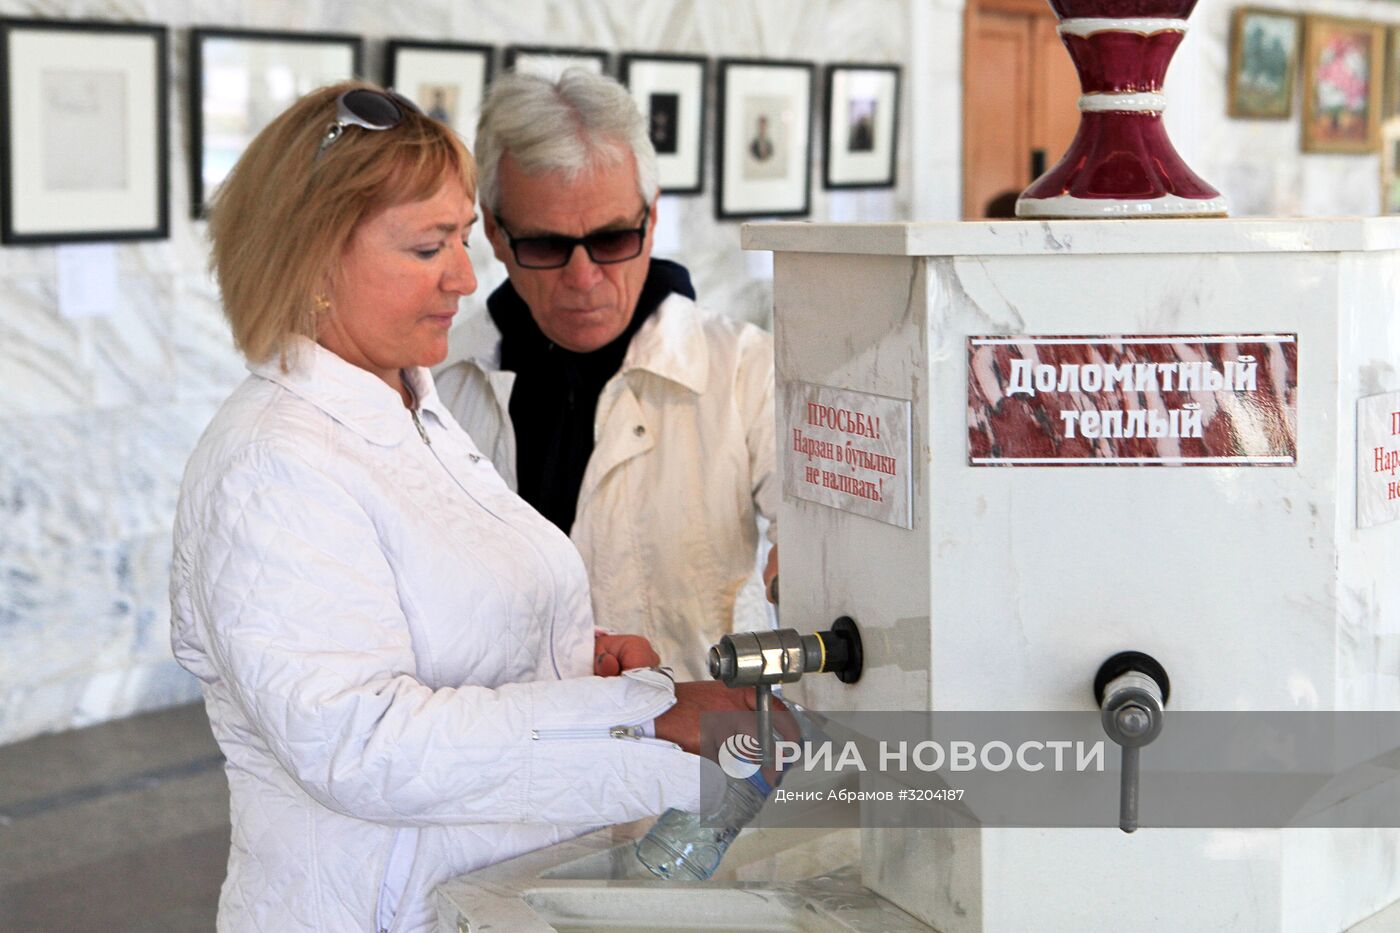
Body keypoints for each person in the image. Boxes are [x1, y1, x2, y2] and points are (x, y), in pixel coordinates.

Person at [170, 80, 758, 933]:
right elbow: (363, 742)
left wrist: (565, 660)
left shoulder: (410, 406)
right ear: (315, 258)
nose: (464, 275)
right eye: (427, 247)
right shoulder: (272, 462)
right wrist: (642, 714)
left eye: (461, 239)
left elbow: (430, 626)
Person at [435, 69, 779, 681]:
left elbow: (824, 533)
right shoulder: (436, 382)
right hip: (503, 751)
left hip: (691, 762)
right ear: (493, 230)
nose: (584, 277)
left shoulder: (746, 370)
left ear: (650, 219)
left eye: (613, 238)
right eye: (545, 246)